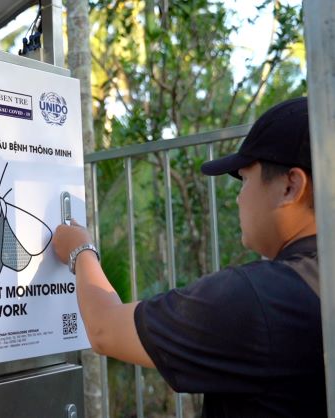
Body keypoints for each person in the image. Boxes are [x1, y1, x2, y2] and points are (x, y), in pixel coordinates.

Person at [52, 97, 326, 417]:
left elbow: (105, 330)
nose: (239, 198)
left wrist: (80, 250)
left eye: (245, 179)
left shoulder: (260, 298)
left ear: (291, 186)